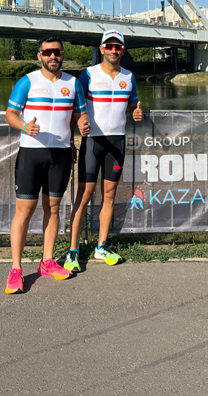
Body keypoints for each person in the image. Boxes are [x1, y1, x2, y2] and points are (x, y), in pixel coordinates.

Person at [4, 36, 89, 294]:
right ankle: (16, 270)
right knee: (25, 211)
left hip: (61, 154)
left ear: (63, 55)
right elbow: (10, 115)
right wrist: (24, 127)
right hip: (32, 153)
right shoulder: (27, 81)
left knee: (53, 208)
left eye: (58, 52)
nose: (54, 56)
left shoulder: (73, 83)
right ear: (39, 55)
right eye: (48, 52)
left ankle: (47, 261)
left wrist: (83, 123)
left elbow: (80, 114)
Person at [64, 30, 143, 271]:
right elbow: (74, 109)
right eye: (109, 45)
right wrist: (71, 139)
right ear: (101, 49)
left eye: (117, 46)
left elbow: (132, 106)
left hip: (117, 143)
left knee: (109, 195)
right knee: (84, 196)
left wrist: (136, 113)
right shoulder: (87, 75)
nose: (113, 49)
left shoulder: (129, 77)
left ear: (123, 51)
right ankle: (72, 251)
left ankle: (101, 247)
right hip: (92, 143)